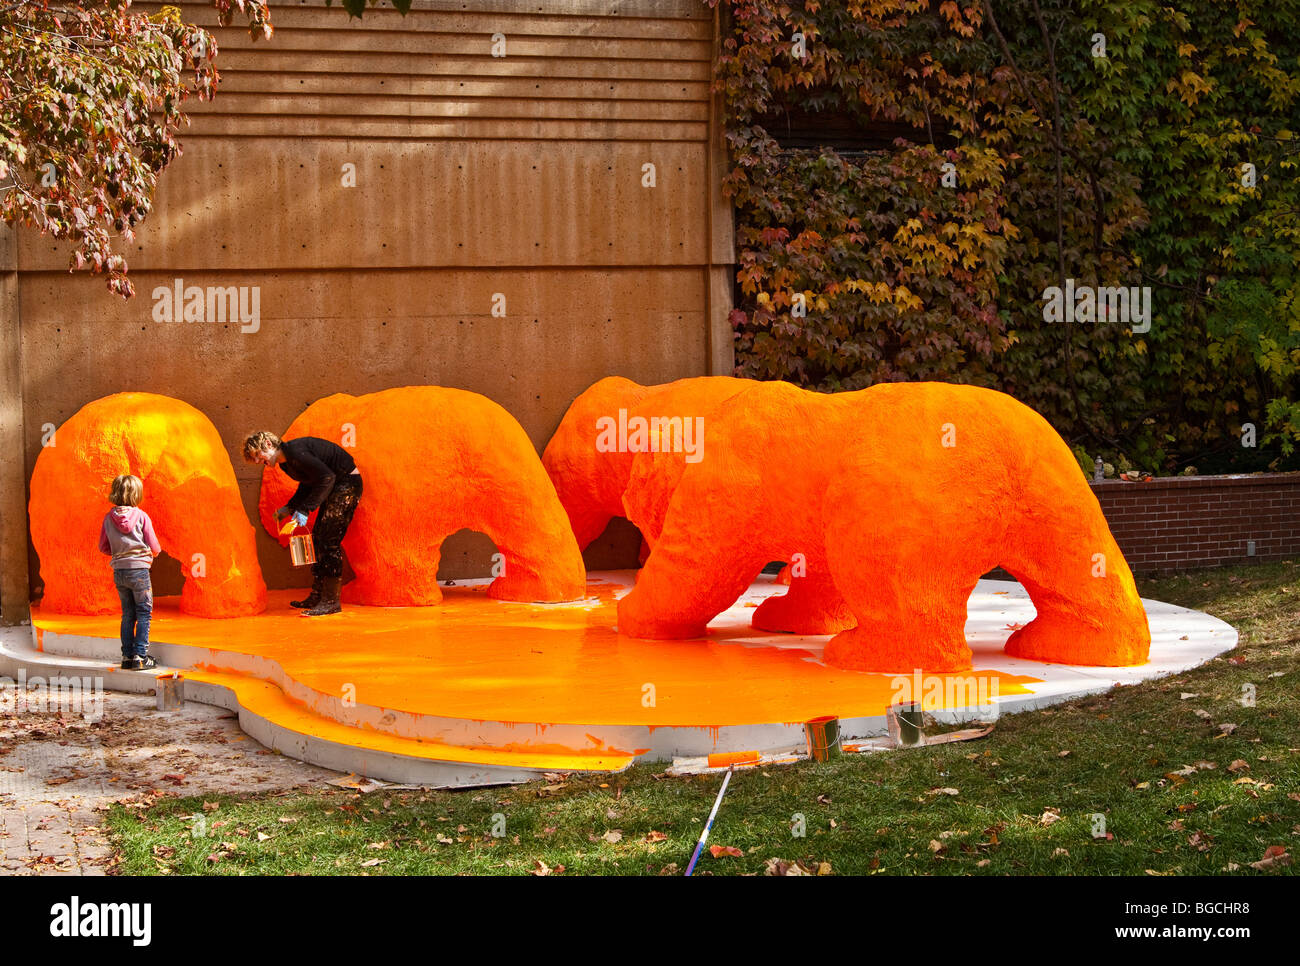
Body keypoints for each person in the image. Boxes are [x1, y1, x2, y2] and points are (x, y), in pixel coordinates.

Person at [243, 430, 362, 616]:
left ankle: (330, 602)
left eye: (258, 456)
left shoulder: (296, 452)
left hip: (347, 483)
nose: (258, 462)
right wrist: (290, 508)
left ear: (268, 444)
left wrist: (305, 509)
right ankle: (318, 595)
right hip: (335, 485)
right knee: (319, 538)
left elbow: (326, 478)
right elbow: (308, 484)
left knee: (328, 541)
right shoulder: (287, 464)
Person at [97, 474, 161, 670]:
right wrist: (152, 554)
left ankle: (126, 657)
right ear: (136, 494)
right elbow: (154, 545)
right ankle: (140, 657)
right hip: (139, 571)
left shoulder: (108, 518)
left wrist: (118, 552)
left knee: (127, 614)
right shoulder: (141, 516)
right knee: (144, 613)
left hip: (120, 571)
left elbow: (103, 547)